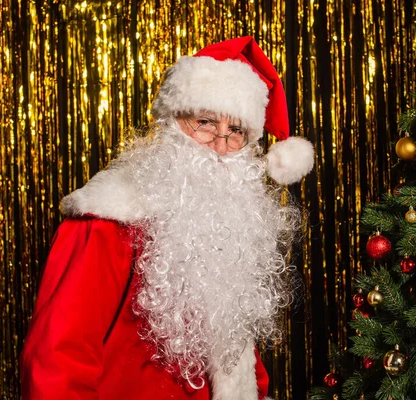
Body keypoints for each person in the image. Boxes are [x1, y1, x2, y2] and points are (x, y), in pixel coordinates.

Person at [20, 36, 314, 400]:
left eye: (236, 131)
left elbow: (235, 354)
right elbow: (56, 359)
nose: (220, 146)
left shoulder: (228, 222)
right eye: (205, 122)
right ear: (173, 124)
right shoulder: (106, 221)